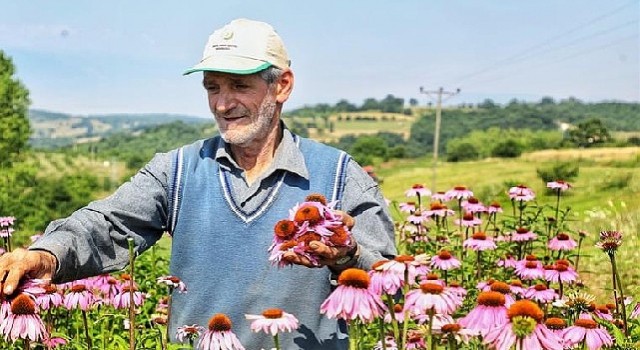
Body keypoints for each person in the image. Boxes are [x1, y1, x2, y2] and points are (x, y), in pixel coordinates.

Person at [0, 18, 396, 349]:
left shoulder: (339, 175)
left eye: (240, 85)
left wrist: (347, 255)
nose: (223, 104)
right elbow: (106, 224)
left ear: (283, 86)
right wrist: (45, 255)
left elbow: (391, 284)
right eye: (213, 87)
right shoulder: (178, 170)